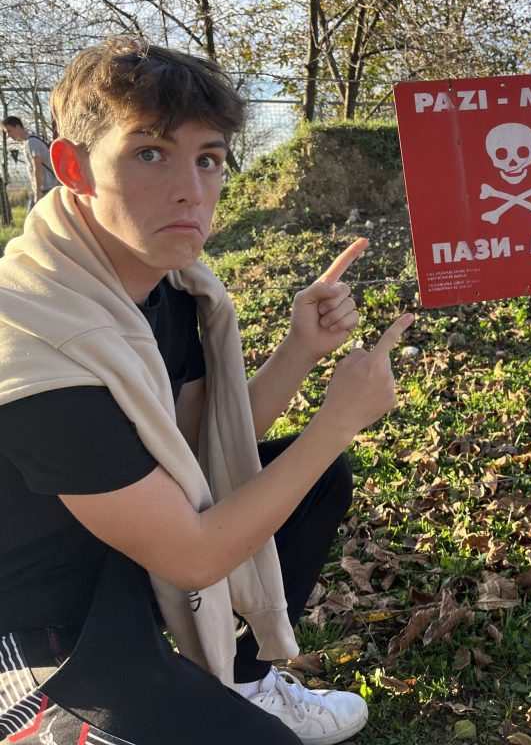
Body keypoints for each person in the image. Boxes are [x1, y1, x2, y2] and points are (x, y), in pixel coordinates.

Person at [0, 36, 413, 744]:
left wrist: (299, 352)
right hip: (35, 624)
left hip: (119, 564)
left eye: (209, 159)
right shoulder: (34, 344)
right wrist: (335, 424)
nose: (191, 189)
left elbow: (199, 448)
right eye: (149, 153)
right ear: (72, 167)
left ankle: (245, 681)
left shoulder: (168, 287)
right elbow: (190, 554)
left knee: (315, 482)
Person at [1, 115, 60, 209]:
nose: (8, 135)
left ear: (18, 127)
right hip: (42, 189)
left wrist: (37, 193)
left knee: (33, 217)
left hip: (44, 190)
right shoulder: (28, 142)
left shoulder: (31, 142)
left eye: (9, 131)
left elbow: (38, 167)